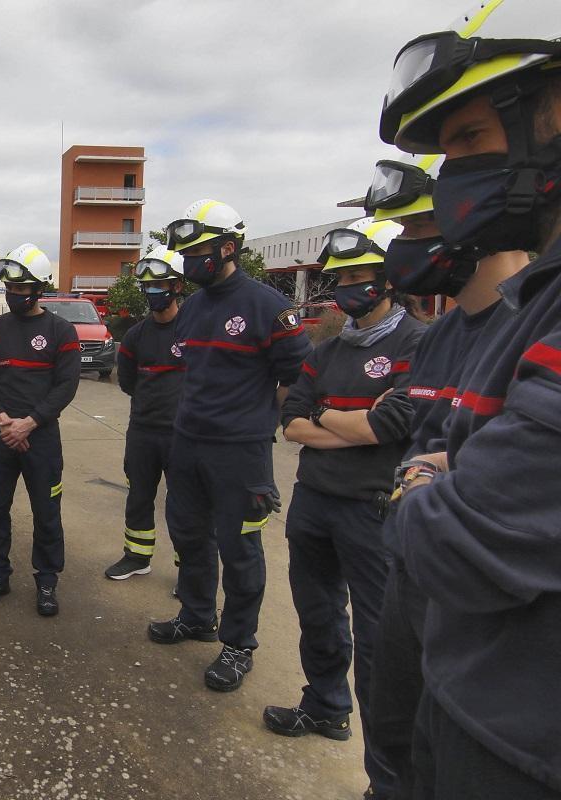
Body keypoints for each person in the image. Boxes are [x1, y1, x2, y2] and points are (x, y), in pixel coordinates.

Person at [379, 1, 561, 795]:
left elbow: (461, 540)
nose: (453, 178)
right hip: (473, 700)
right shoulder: (536, 303)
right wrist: (442, 474)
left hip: (521, 744)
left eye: (470, 142)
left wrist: (423, 484)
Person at [361, 152, 529, 800]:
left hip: (482, 607)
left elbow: (490, 487)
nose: (403, 252)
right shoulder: (437, 335)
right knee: (396, 741)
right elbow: (419, 448)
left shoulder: (531, 327)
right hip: (409, 571)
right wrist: (430, 478)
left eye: (415, 232)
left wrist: (428, 479)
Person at [264, 217, 424, 799]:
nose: (350, 286)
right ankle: (324, 705)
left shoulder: (418, 342)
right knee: (317, 616)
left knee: (384, 647)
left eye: (360, 273)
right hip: (314, 504)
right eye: (341, 277)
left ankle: (389, 780)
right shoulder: (326, 350)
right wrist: (347, 422)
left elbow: (397, 422)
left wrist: (326, 418)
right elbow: (292, 422)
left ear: (387, 277)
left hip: (374, 511)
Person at [150, 199, 311, 692]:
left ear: (227, 247)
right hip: (189, 443)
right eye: (186, 250)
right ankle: (197, 617)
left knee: (240, 550)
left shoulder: (268, 307)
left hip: (240, 452)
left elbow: (297, 381)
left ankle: (239, 644)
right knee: (189, 537)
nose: (190, 258)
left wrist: (299, 429)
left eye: (198, 249)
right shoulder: (193, 307)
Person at [0, 244, 80, 616]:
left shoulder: (61, 331)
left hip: (42, 438)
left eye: (20, 290)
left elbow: (65, 386)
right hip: (0, 437)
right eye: (9, 289)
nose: (13, 296)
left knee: (47, 512)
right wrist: (3, 421)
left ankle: (47, 581)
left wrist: (30, 423)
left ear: (39, 289)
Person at [103, 247, 186, 581]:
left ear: (177, 286)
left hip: (184, 434)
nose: (152, 292)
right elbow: (127, 381)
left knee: (185, 505)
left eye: (160, 285)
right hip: (143, 431)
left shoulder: (194, 330)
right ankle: (137, 557)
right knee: (138, 496)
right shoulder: (136, 336)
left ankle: (189, 569)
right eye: (147, 286)